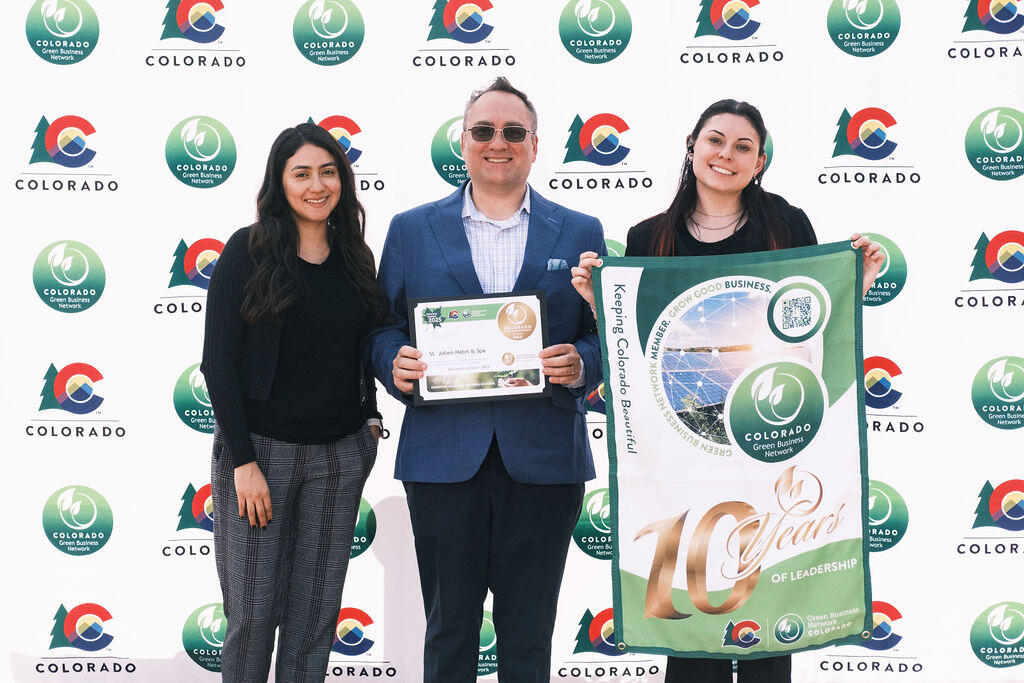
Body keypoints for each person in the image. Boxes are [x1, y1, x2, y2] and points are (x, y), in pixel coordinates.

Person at [571, 99, 884, 683]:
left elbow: (811, 325)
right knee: (690, 635)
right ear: (691, 146)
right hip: (683, 454)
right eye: (716, 141)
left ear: (760, 161)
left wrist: (854, 284)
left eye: (743, 147)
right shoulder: (648, 237)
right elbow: (637, 349)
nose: (726, 155)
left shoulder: (786, 225)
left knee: (768, 630)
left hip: (769, 442)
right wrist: (600, 301)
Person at [366, 77, 605, 682]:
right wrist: (393, 362)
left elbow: (603, 334)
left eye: (512, 132)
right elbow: (380, 327)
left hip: (544, 456)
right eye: (483, 131)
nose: (497, 142)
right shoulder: (411, 229)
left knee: (529, 635)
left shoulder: (581, 230)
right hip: (444, 455)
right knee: (449, 632)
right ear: (463, 142)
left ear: (534, 144)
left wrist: (583, 365)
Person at [201, 123, 383, 683]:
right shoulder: (247, 250)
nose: (316, 185)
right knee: (253, 616)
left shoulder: (356, 257)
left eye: (328, 172)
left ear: (343, 180)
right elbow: (218, 363)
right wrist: (243, 464)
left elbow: (365, 346)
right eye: (301, 173)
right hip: (261, 455)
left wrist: (370, 418)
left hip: (339, 457)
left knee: (314, 619)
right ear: (280, 183)